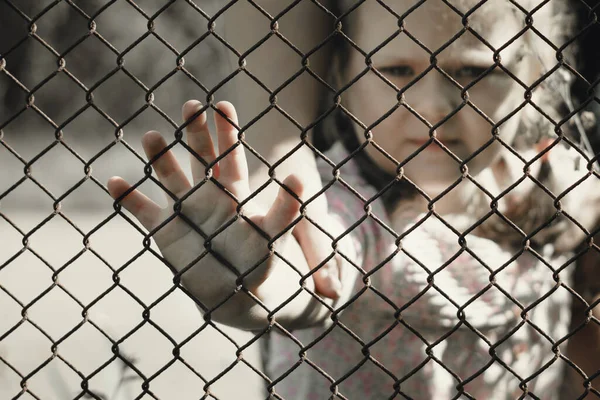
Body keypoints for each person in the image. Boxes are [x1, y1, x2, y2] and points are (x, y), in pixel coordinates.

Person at [108, 0, 600, 397]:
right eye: (397, 70)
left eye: (472, 72)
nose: (432, 104)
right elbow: (310, 276)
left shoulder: (550, 178)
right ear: (343, 76)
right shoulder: (340, 201)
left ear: (533, 74)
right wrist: (250, 282)